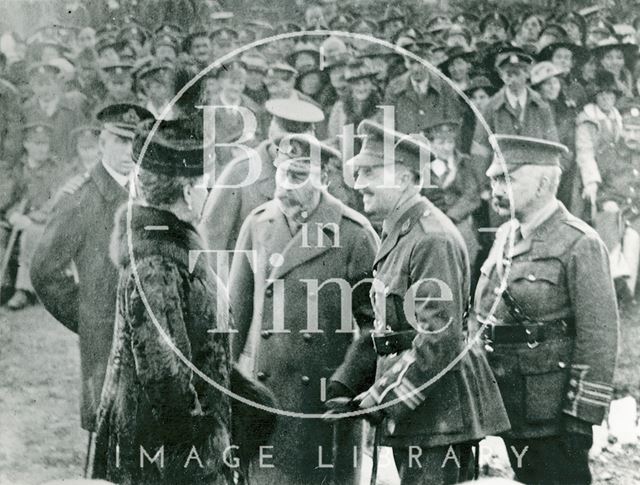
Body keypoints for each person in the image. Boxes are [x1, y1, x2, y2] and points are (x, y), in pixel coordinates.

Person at [331, 120, 510, 485]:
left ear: (403, 179)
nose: (359, 183)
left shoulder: (431, 238)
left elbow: (438, 337)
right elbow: (389, 327)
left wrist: (386, 397)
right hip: (420, 407)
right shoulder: (401, 230)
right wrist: (350, 383)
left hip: (438, 411)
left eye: (369, 172)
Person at [229, 133, 378, 485]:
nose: (285, 186)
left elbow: (375, 327)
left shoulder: (354, 234)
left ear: (324, 178)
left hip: (321, 404)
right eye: (281, 173)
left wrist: (344, 385)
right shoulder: (257, 223)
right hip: (264, 400)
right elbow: (236, 316)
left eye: (298, 176)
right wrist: (228, 384)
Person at [92, 117, 232, 485]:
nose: (209, 192)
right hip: (162, 452)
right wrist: (200, 446)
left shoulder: (175, 246)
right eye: (205, 185)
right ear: (187, 191)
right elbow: (162, 369)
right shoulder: (156, 260)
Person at [475, 134, 619, 484]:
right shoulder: (506, 235)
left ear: (543, 183)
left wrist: (580, 415)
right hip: (509, 404)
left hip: (553, 411)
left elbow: (599, 336)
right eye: (493, 179)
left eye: (506, 179)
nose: (495, 187)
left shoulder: (579, 242)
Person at [31, 103, 154, 434]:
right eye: (120, 141)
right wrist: (88, 315)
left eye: (136, 141)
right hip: (105, 339)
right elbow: (44, 273)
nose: (130, 151)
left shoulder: (149, 193)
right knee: (109, 431)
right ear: (101, 144)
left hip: (151, 338)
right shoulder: (79, 198)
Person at [200, 98, 324, 253]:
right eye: (286, 133)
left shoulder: (320, 175)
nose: (292, 146)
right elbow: (211, 241)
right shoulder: (240, 172)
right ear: (272, 130)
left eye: (302, 133)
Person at [4, 122, 65, 310]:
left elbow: (57, 201)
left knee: (31, 233)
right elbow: (7, 198)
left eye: (44, 144)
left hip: (46, 223)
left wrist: (32, 218)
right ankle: (4, 285)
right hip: (18, 220)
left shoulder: (56, 169)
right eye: (36, 143)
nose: (41, 149)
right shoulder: (17, 169)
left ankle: (23, 290)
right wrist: (13, 215)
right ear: (26, 145)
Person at [530, 61, 580, 210]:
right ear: (538, 89)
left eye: (555, 82)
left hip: (562, 170)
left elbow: (569, 145)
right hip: (538, 172)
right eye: (547, 84)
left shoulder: (565, 111)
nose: (553, 87)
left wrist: (560, 167)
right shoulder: (532, 113)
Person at [327, 59, 381, 140]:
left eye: (365, 82)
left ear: (371, 84)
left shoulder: (381, 106)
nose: (362, 88)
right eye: (357, 83)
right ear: (350, 86)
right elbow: (333, 139)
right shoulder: (339, 108)